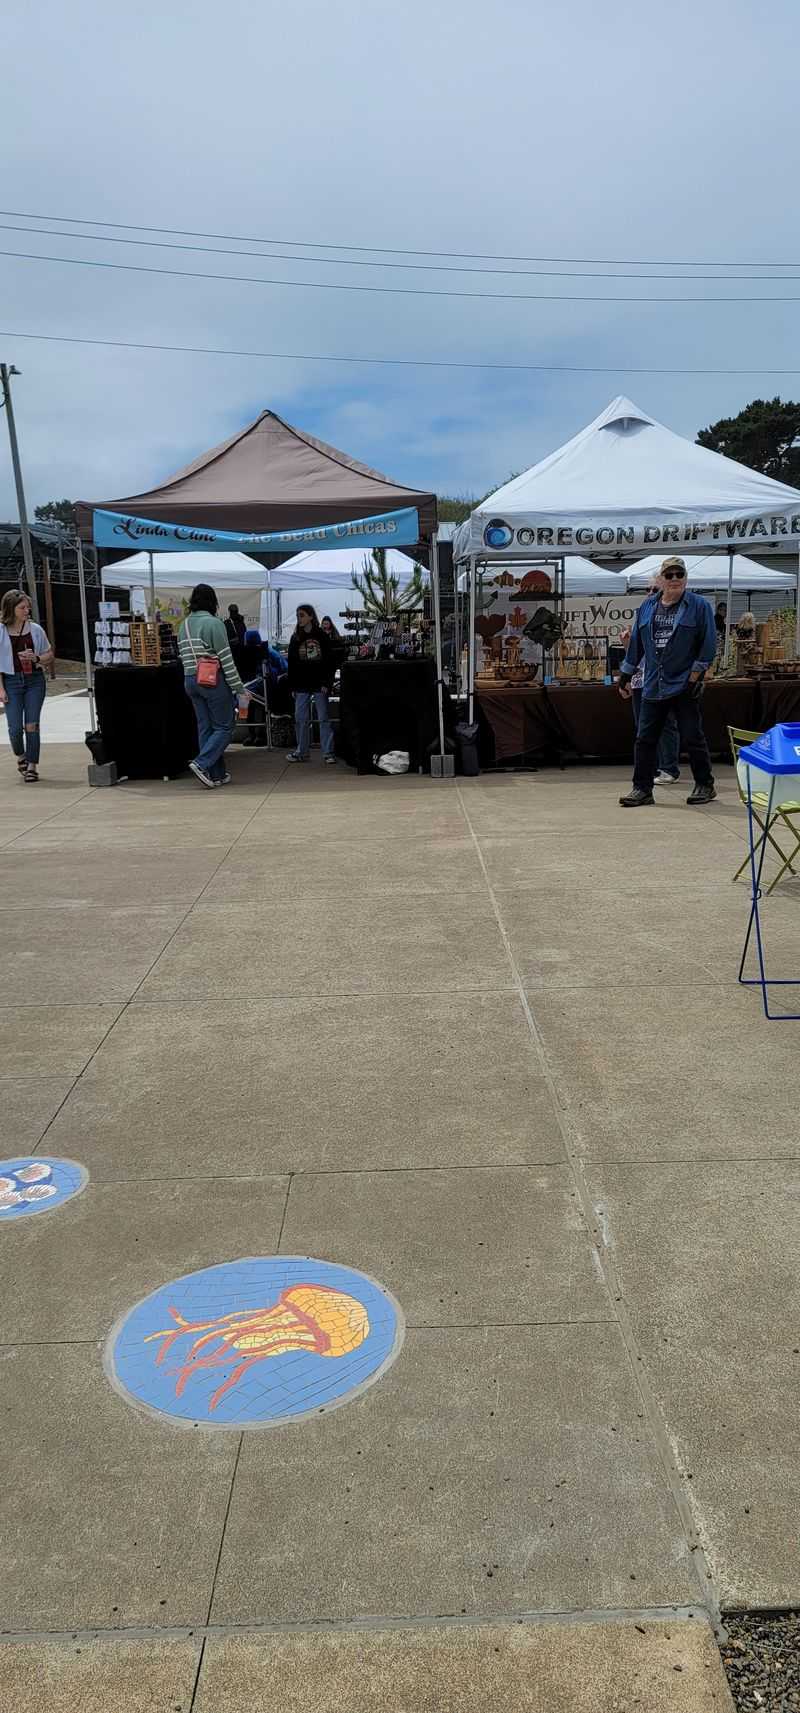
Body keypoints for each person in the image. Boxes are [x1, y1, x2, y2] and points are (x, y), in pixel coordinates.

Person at [617, 557, 717, 807]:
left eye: (679, 574)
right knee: (645, 738)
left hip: (684, 682)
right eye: (669, 575)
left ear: (685, 577)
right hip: (654, 683)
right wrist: (625, 676)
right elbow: (637, 646)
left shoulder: (699, 606)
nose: (674, 579)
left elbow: (708, 645)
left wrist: (695, 677)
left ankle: (705, 784)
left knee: (692, 736)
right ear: (661, 579)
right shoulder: (648, 607)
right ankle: (642, 789)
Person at [178, 584, 249, 788]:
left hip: (190, 680)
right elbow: (226, 660)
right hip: (211, 679)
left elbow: (183, 655)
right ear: (213, 601)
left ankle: (215, 774)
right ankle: (202, 764)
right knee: (225, 726)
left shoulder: (184, 624)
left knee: (206, 728)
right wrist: (239, 688)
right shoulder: (214, 623)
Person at [622, 577, 681, 784]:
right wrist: (627, 643)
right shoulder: (646, 611)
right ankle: (653, 766)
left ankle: (669, 768)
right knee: (643, 726)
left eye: (654, 588)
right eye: (647, 589)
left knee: (666, 724)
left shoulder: (675, 615)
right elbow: (636, 650)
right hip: (641, 679)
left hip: (662, 679)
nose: (649, 592)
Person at [0, 589, 54, 782]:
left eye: (27, 607)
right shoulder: (1, 631)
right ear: (11, 609)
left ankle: (32, 765)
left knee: (32, 725)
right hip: (11, 681)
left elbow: (49, 654)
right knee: (15, 728)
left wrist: (37, 657)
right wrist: (1, 689)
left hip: (34, 681)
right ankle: (21, 756)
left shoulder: (36, 630)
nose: (26, 610)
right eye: (22, 607)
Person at [286, 604, 336, 765]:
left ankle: (328, 752)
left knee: (323, 718)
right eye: (298, 615)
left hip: (319, 683)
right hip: (301, 684)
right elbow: (292, 664)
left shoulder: (322, 636)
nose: (299, 619)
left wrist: (327, 683)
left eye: (302, 615)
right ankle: (302, 751)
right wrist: (292, 686)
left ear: (310, 617)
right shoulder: (295, 638)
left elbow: (329, 662)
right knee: (301, 718)